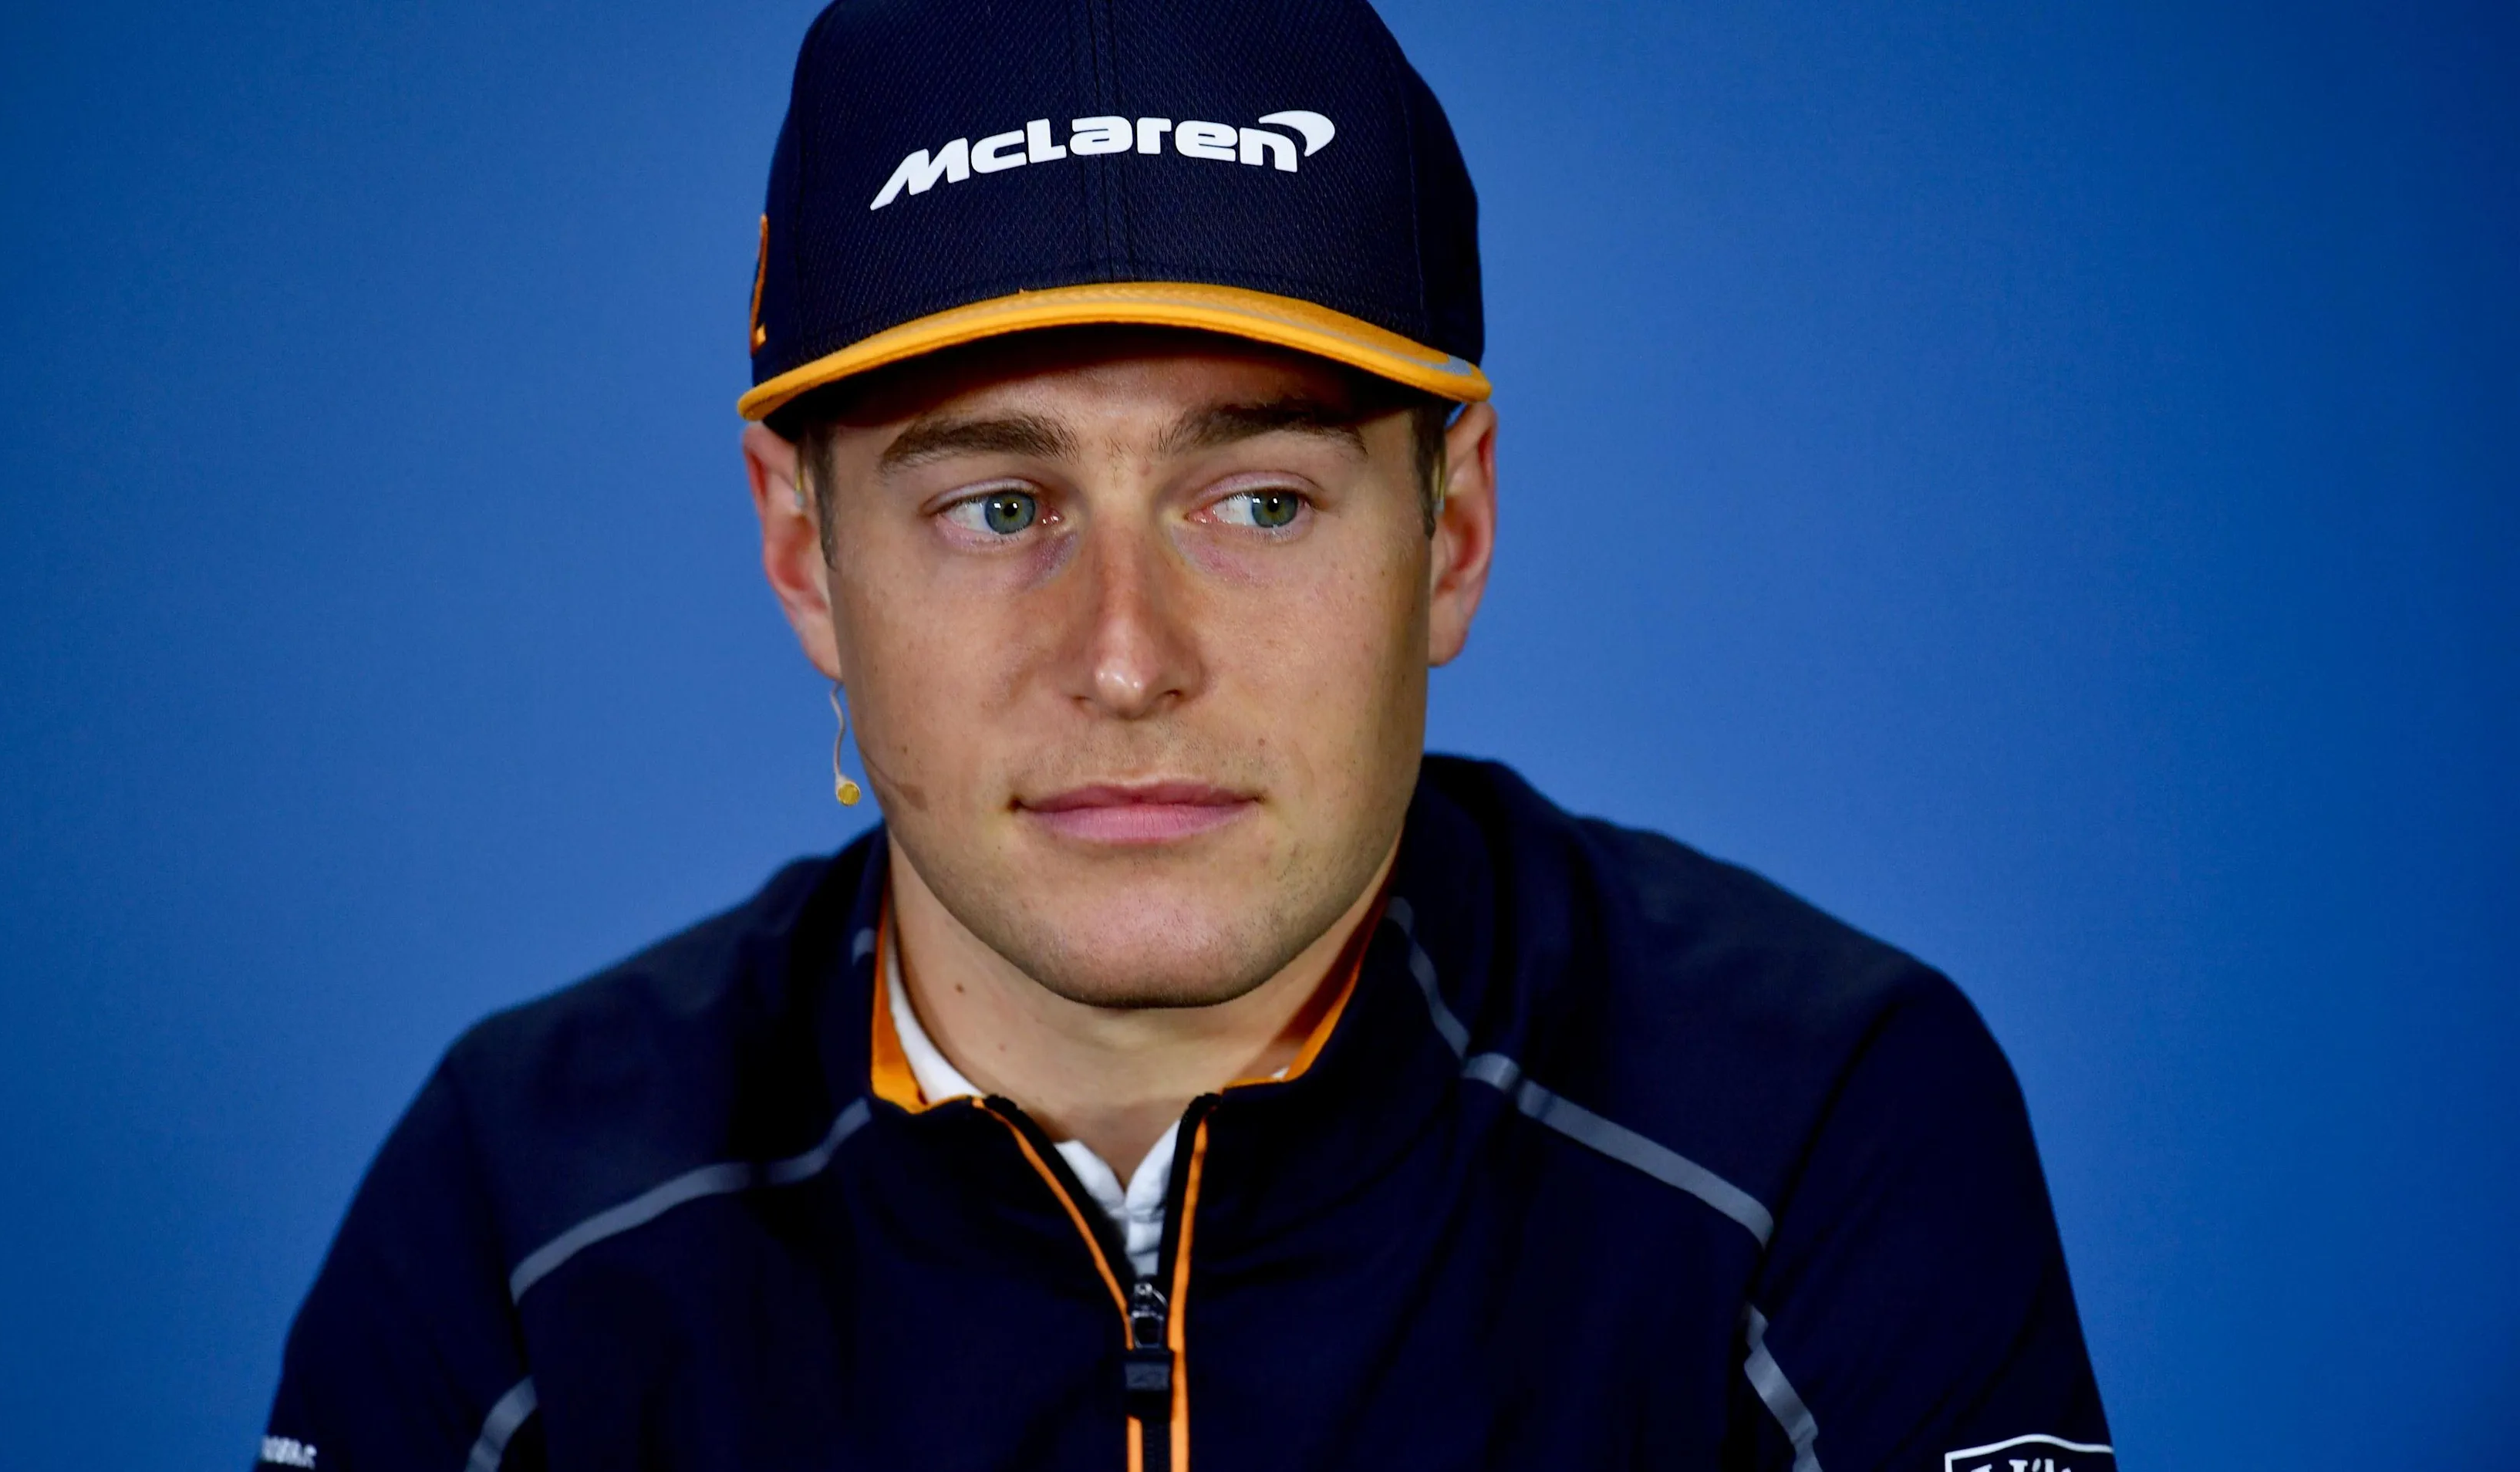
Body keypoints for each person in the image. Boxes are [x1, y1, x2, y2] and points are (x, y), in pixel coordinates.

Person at [259, 2, 2114, 1469]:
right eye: (997, 506)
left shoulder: (1810, 1129)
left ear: (1449, 533)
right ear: (799, 550)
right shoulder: (523, 1222)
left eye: (1260, 503)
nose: (1128, 661)